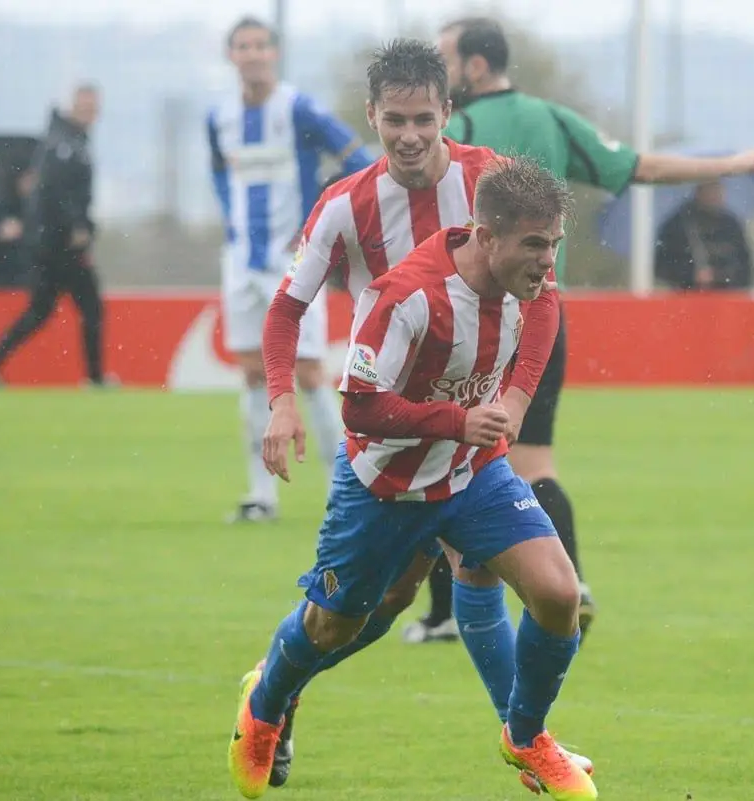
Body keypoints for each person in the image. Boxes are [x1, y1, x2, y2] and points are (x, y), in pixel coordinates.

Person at [256, 38, 584, 791]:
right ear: (371, 116)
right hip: (389, 434)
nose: (408, 136)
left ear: (447, 115)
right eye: (393, 120)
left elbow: (545, 297)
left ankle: (526, 738)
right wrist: (281, 401)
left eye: (424, 120)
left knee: (516, 579)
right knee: (369, 608)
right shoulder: (346, 203)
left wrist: (512, 402)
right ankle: (279, 686)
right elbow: (286, 310)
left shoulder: (496, 184)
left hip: (472, 441)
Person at [425, 15, 754, 640]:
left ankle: (444, 615)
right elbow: (639, 169)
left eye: (443, 59)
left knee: (437, 458)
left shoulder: (457, 130)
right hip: (540, 313)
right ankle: (572, 583)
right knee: (535, 459)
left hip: (467, 316)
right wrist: (726, 164)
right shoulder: (554, 120)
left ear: (474, 67)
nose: (436, 73)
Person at [206, 16, 374, 522]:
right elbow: (218, 170)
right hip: (241, 259)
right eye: (243, 46)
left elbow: (357, 159)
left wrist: (319, 221)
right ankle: (262, 496)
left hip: (294, 258)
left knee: (309, 373)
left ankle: (341, 491)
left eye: (260, 45)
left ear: (274, 54)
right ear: (231, 55)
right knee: (254, 373)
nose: (252, 54)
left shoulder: (297, 108)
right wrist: (233, 224)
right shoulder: (219, 117)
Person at [0, 86, 107, 387]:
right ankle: (95, 378)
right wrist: (77, 228)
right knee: (90, 307)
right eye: (85, 105)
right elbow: (58, 193)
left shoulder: (67, 141)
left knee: (40, 309)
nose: (91, 112)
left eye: (94, 106)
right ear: (72, 107)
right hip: (60, 244)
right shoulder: (64, 145)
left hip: (48, 243)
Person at [654, 180, 754, 290]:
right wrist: (691, 275)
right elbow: (663, 265)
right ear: (699, 191)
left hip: (726, 295)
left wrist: (722, 276)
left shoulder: (731, 224)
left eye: (718, 189)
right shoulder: (679, 223)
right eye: (710, 189)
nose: (715, 195)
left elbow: (744, 266)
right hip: (687, 296)